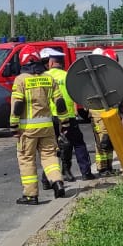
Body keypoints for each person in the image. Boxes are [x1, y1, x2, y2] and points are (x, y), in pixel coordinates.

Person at [11, 48, 68, 204]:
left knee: (27, 159)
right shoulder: (49, 78)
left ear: (23, 61)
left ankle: (31, 195)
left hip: (27, 129)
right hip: (47, 127)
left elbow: (17, 104)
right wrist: (65, 122)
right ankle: (57, 182)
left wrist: (13, 126)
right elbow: (60, 103)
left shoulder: (21, 80)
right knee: (49, 157)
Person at [48, 51, 94, 181]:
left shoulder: (44, 77)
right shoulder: (68, 76)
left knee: (50, 149)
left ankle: (49, 178)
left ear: (51, 63)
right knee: (78, 144)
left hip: (50, 117)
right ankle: (85, 172)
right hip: (68, 116)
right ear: (61, 64)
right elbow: (78, 95)